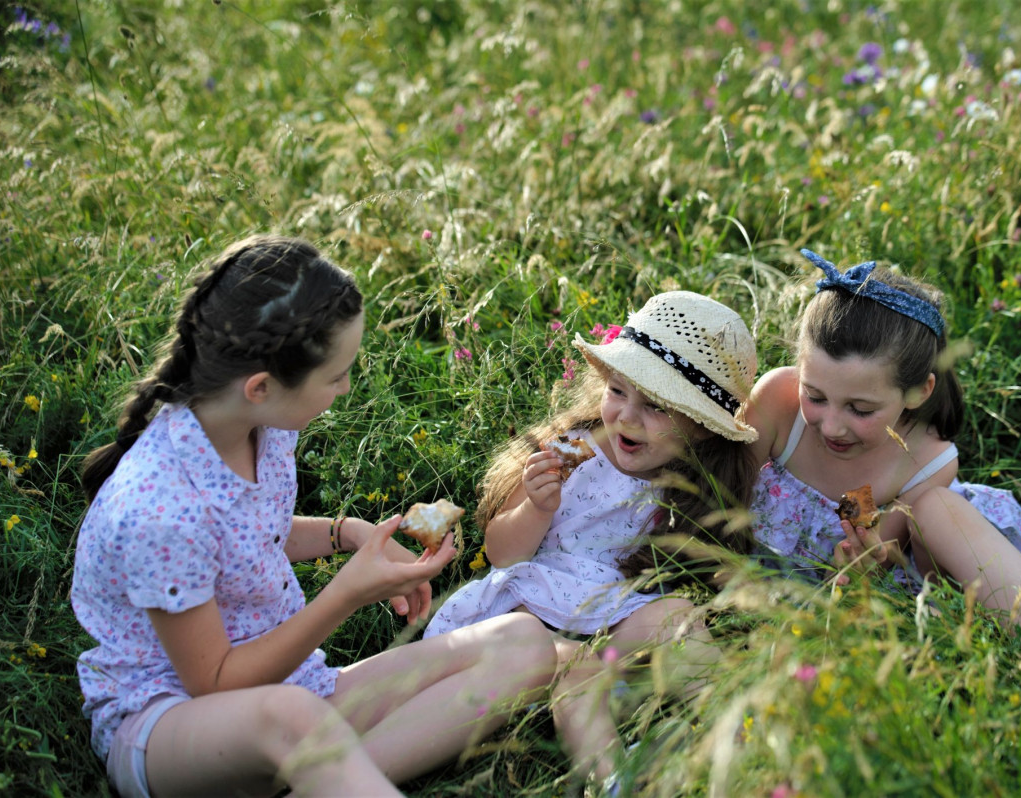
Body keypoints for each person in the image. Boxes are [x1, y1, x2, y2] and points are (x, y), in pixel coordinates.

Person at [70, 235, 557, 798]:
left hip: (296, 698)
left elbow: (251, 539)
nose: (346, 387)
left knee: (523, 641)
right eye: (335, 375)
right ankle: (332, 772)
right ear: (261, 387)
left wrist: (347, 534)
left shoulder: (264, 430)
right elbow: (215, 682)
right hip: (171, 727)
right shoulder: (160, 508)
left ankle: (329, 780)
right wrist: (344, 595)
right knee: (291, 715)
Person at [747, 248, 1021, 709]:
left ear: (918, 392)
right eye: (816, 396)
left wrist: (865, 557)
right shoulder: (779, 402)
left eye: (860, 409)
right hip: (768, 588)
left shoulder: (924, 458)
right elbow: (721, 491)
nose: (831, 426)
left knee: (939, 507)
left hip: (888, 584)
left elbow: (875, 560)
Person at [424, 291, 760, 787]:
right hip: (534, 623)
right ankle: (612, 778)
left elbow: (707, 576)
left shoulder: (696, 488)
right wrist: (537, 507)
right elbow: (501, 554)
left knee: (676, 619)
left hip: (618, 628)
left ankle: (742, 731)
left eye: (656, 408)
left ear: (704, 429)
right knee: (578, 675)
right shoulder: (568, 453)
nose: (626, 416)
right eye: (618, 391)